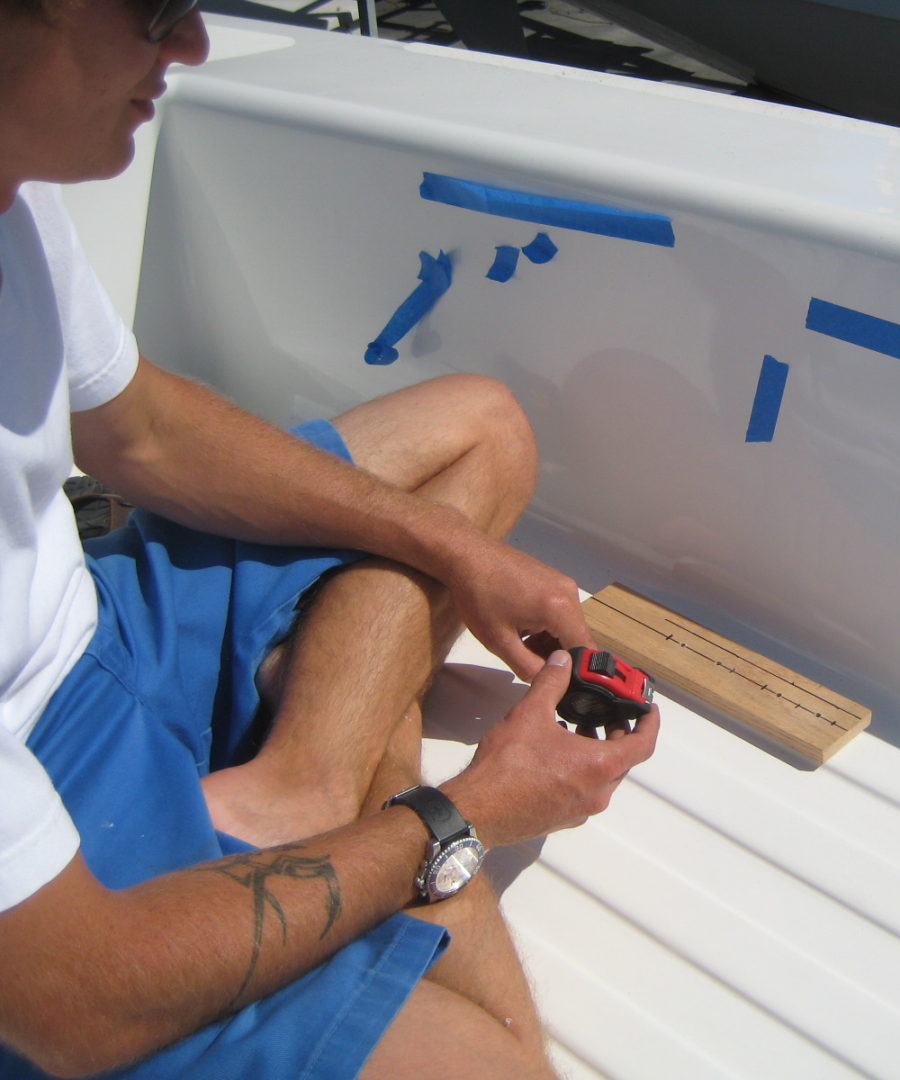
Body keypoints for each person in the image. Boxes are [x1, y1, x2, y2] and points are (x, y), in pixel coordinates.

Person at [0, 0, 660, 1076]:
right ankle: (347, 744)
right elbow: (79, 1005)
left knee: (479, 431)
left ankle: (299, 779)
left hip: (93, 617)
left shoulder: (11, 197)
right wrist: (465, 810)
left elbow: (144, 433)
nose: (194, 45)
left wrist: (461, 556)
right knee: (498, 1061)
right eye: (156, 11)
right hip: (50, 778)